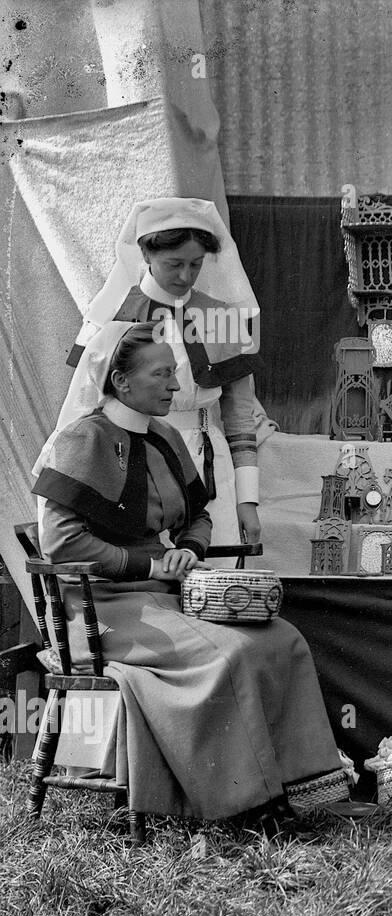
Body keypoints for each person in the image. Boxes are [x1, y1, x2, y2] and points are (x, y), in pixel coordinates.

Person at [32, 321, 340, 825]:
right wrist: (152, 563)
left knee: (282, 638)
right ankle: (244, 804)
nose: (177, 386)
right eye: (162, 375)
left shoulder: (166, 436)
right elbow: (61, 543)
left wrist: (190, 550)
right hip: (102, 609)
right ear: (120, 380)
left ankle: (304, 788)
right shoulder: (81, 439)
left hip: (167, 594)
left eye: (174, 373)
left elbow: (197, 514)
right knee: (232, 652)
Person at [67, 197, 265, 550]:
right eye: (174, 264)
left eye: (196, 264)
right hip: (130, 462)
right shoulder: (112, 318)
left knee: (213, 583)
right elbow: (82, 412)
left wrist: (247, 500)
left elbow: (239, 417)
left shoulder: (223, 319)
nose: (185, 276)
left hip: (208, 465)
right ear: (146, 254)